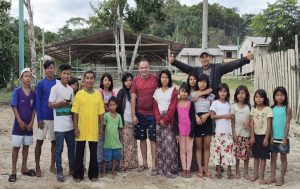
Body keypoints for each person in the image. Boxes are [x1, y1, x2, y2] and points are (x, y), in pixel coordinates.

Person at [168, 51, 254, 94]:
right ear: (200, 59)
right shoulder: (197, 70)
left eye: (206, 57)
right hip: (201, 98)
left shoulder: (217, 68)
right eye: (202, 57)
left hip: (215, 97)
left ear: (210, 58)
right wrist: (174, 62)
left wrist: (245, 59)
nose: (204, 59)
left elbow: (232, 65)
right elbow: (186, 68)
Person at [72, 71, 105, 182]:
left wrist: (101, 128)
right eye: (87, 78)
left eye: (91, 78)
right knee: (79, 153)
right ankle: (78, 175)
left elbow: (101, 113)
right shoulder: (79, 94)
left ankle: (93, 175)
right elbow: (75, 113)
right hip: (81, 129)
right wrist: (76, 128)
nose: (89, 80)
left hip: (93, 129)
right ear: (84, 80)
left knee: (93, 153)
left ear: (94, 80)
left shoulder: (98, 95)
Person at [131, 58, 158, 175]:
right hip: (140, 114)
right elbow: (133, 98)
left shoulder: (155, 79)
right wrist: (133, 115)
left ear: (149, 67)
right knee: (142, 139)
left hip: (153, 114)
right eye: (142, 67)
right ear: (139, 69)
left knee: (152, 139)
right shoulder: (135, 80)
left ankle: (154, 165)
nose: (144, 69)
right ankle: (145, 163)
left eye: (146, 67)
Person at [8, 68, 36, 182]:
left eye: (30, 76)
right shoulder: (17, 91)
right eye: (25, 76)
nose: (28, 78)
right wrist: (19, 121)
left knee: (26, 147)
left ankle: (24, 168)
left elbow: (34, 109)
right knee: (16, 147)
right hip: (18, 126)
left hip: (29, 126)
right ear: (21, 78)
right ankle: (13, 171)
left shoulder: (33, 93)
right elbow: (14, 106)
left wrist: (31, 122)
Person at [48, 64, 75, 182]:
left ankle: (72, 169)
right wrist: (60, 103)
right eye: (64, 73)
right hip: (59, 127)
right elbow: (50, 104)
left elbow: (73, 107)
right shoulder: (55, 88)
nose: (66, 75)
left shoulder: (70, 89)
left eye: (68, 73)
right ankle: (59, 170)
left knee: (71, 148)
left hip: (70, 126)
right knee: (59, 149)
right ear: (60, 74)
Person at [153, 70, 178, 178]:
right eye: (162, 77)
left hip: (169, 119)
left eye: (166, 77)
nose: (164, 79)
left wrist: (166, 119)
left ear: (169, 79)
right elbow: (155, 107)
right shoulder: (157, 92)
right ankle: (162, 169)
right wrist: (159, 119)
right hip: (159, 121)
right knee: (161, 145)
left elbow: (173, 106)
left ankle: (170, 170)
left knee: (170, 145)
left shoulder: (173, 90)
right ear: (160, 79)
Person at [35, 60, 57, 177]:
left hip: (55, 118)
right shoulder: (40, 84)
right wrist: (39, 118)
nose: (50, 70)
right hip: (43, 118)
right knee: (39, 142)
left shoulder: (58, 83)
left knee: (54, 142)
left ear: (54, 69)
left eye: (52, 67)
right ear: (45, 70)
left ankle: (52, 165)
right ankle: (37, 166)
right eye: (48, 68)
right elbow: (38, 102)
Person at [191, 74, 214, 178]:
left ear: (207, 83)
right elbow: (190, 108)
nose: (202, 83)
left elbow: (213, 109)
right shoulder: (193, 94)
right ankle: (200, 168)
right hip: (197, 122)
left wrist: (207, 115)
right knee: (198, 147)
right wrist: (195, 117)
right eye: (200, 81)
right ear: (197, 83)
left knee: (207, 146)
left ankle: (206, 168)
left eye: (204, 82)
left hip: (207, 121)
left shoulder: (211, 95)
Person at [210, 83, 234, 179]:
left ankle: (229, 171)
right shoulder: (215, 103)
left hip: (228, 132)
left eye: (224, 91)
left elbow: (232, 116)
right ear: (218, 92)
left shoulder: (230, 103)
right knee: (218, 152)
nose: (223, 93)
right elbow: (212, 116)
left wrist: (231, 116)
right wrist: (224, 115)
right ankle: (218, 171)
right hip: (219, 131)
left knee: (228, 152)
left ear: (227, 92)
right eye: (220, 91)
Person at [269, 87, 292, 186]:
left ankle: (281, 178)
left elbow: (287, 124)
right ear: (274, 96)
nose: (280, 97)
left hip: (283, 138)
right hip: (274, 138)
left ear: (285, 96)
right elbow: (270, 124)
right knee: (273, 158)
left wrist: (284, 138)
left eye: (282, 95)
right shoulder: (271, 108)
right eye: (277, 95)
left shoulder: (287, 108)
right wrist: (271, 136)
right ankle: (273, 177)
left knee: (283, 158)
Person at [117, 72, 139, 171]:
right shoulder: (122, 92)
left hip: (133, 121)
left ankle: (132, 164)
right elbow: (118, 108)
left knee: (133, 143)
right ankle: (124, 164)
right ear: (123, 82)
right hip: (125, 121)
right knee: (125, 143)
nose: (128, 83)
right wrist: (121, 122)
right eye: (126, 81)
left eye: (130, 80)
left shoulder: (134, 92)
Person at [250, 89, 272, 185]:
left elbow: (269, 125)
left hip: (264, 136)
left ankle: (262, 176)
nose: (258, 99)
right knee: (256, 156)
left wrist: (267, 138)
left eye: (261, 97)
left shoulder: (268, 109)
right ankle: (255, 174)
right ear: (254, 98)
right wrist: (252, 136)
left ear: (265, 98)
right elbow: (251, 124)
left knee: (263, 157)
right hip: (255, 136)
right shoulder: (253, 109)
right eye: (256, 97)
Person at [173, 83, 196, 178]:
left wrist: (192, 131)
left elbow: (193, 119)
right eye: (182, 91)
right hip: (180, 132)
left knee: (189, 150)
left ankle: (188, 169)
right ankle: (183, 169)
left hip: (189, 131)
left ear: (188, 93)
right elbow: (175, 119)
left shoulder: (191, 104)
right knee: (182, 150)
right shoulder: (176, 104)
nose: (184, 93)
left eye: (186, 91)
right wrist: (176, 132)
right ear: (179, 92)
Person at [231, 85, 251, 180]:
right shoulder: (234, 106)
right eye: (239, 93)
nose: (241, 95)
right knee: (237, 154)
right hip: (237, 134)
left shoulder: (249, 107)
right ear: (236, 95)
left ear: (246, 95)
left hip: (246, 134)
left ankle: (246, 172)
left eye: (243, 93)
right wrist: (234, 133)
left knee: (246, 155)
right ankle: (237, 171)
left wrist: (249, 124)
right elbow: (232, 121)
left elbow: (251, 119)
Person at [98, 73, 116, 173]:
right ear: (102, 82)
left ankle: (109, 166)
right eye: (105, 80)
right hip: (101, 119)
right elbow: (99, 103)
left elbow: (114, 104)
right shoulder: (99, 91)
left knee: (109, 141)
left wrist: (106, 103)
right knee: (100, 141)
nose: (107, 82)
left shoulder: (112, 92)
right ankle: (99, 165)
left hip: (110, 119)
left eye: (109, 80)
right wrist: (109, 103)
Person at [102, 97, 123, 177]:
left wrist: (121, 139)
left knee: (114, 158)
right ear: (108, 106)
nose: (112, 106)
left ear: (117, 105)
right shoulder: (106, 115)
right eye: (110, 105)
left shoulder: (119, 116)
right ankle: (103, 171)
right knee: (106, 158)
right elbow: (103, 127)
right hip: (107, 142)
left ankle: (113, 170)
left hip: (116, 142)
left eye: (113, 105)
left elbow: (120, 129)